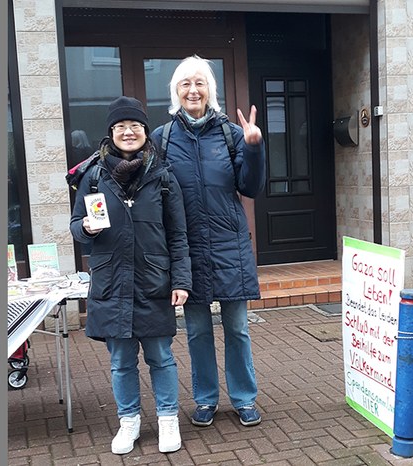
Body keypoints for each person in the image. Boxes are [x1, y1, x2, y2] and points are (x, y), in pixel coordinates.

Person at [70, 96, 191, 455]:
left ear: (144, 132)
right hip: (111, 284)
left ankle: (168, 418)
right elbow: (76, 225)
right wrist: (86, 228)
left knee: (161, 357)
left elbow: (178, 234)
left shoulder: (163, 176)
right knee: (121, 361)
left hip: (155, 282)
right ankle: (129, 421)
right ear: (111, 133)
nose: (128, 132)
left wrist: (182, 280)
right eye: (121, 126)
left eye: (135, 126)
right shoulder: (92, 177)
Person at [150, 55, 266, 427]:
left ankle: (245, 398)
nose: (193, 90)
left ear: (210, 90)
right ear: (176, 92)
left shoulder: (232, 134)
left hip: (229, 246)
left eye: (199, 83)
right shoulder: (162, 139)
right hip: (187, 251)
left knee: (237, 328)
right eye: (185, 84)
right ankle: (205, 399)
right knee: (198, 330)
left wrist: (253, 146)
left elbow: (250, 186)